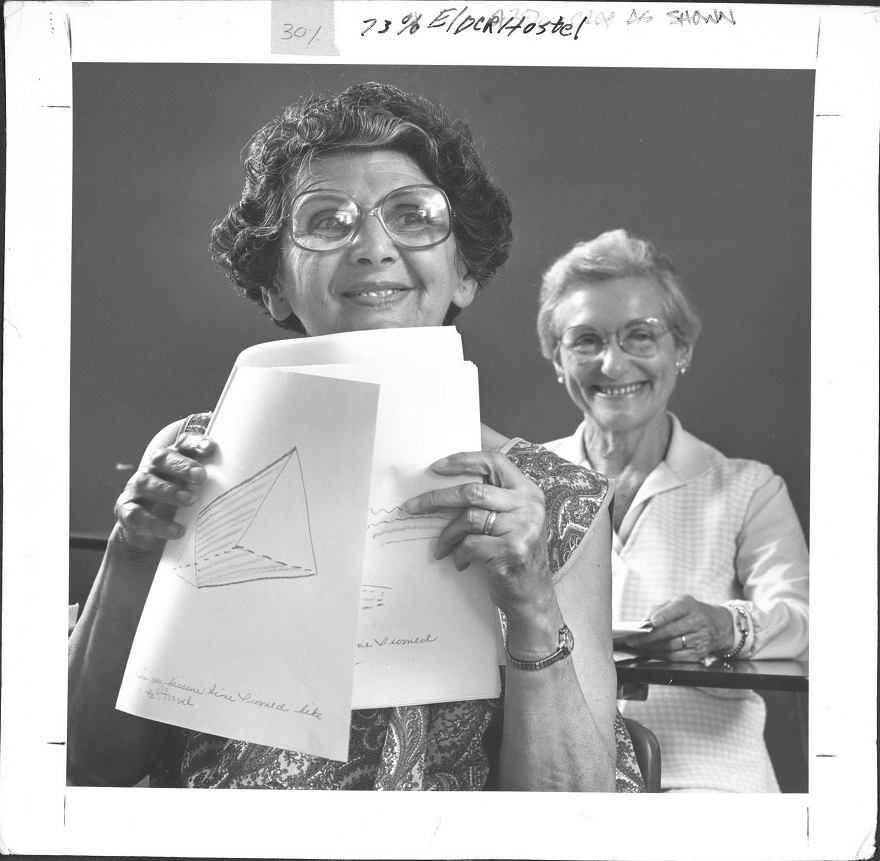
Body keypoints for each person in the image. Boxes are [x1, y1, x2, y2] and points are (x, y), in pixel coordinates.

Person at [68, 83, 642, 792]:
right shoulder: (193, 457)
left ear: (463, 272)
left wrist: (531, 603)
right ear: (274, 282)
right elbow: (85, 765)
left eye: (412, 215)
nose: (373, 246)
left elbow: (574, 815)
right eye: (327, 220)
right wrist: (132, 554)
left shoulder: (558, 501)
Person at [538, 228, 809, 793]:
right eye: (585, 340)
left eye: (641, 336)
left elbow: (808, 623)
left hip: (712, 792)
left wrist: (724, 626)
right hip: (564, 786)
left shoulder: (748, 489)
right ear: (557, 359)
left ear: (680, 349)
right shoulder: (526, 479)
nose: (612, 365)